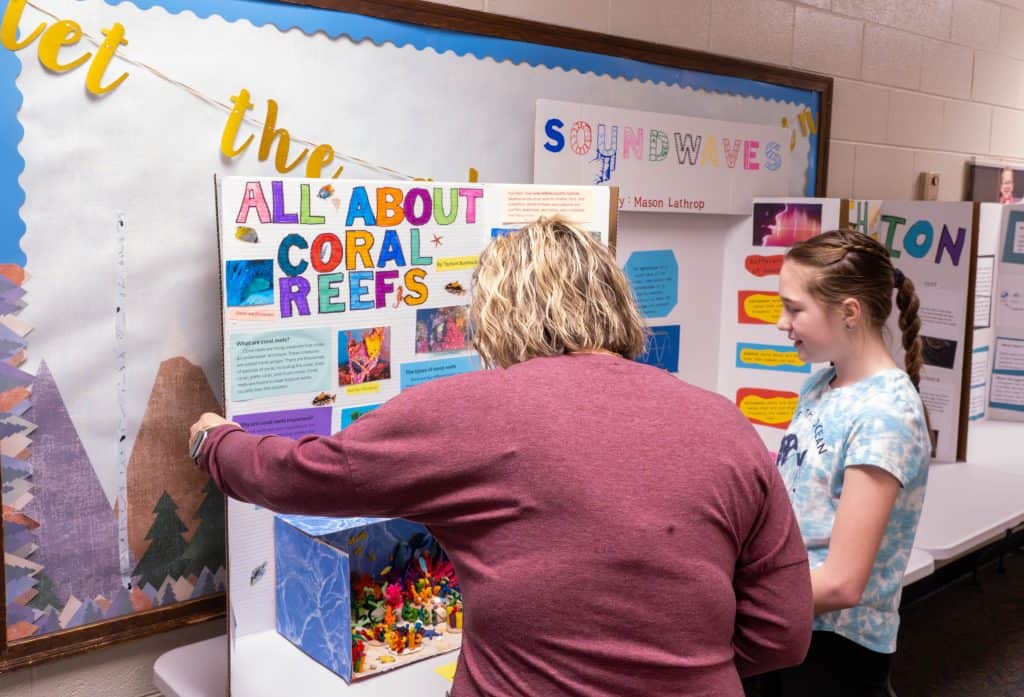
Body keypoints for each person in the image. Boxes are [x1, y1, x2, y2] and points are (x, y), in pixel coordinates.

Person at [190, 216, 812, 697]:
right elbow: (783, 631)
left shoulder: (470, 411)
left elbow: (300, 474)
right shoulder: (724, 422)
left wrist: (214, 442)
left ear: (498, 316)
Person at [755, 229, 931, 697]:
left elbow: (843, 583)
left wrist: (736, 601)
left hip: (836, 648)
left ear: (849, 312)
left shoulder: (886, 413)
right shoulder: (820, 385)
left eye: (794, 309)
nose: (781, 322)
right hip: (791, 625)